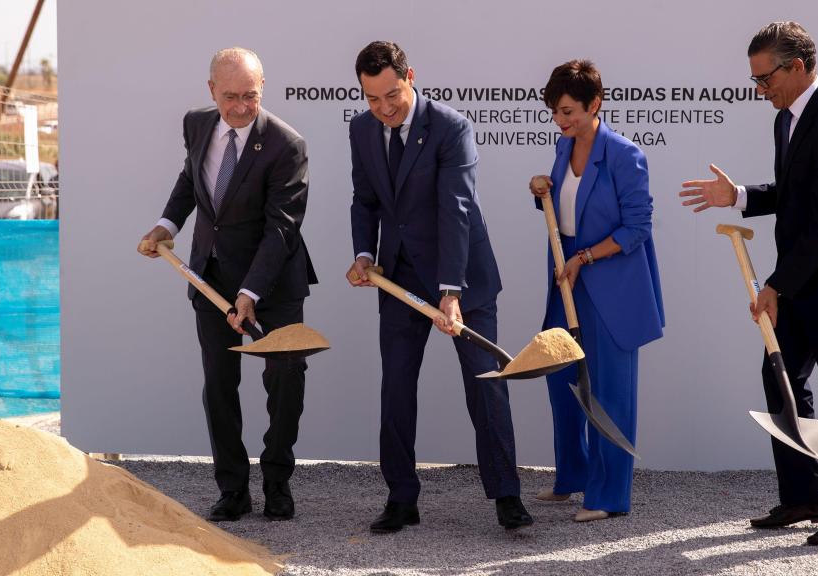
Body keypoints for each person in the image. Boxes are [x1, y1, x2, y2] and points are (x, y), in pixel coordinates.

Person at [679, 22, 818, 546]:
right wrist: (738, 196)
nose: (759, 88)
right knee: (781, 380)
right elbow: (794, 191)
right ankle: (806, 495)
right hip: (802, 283)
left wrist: (774, 284)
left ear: (797, 67)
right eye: (754, 79)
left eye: (764, 77)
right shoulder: (788, 118)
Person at [346, 41, 532, 533]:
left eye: (392, 95)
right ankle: (401, 497)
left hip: (464, 277)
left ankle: (507, 496)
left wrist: (450, 291)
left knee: (485, 388)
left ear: (411, 76)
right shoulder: (362, 130)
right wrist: (365, 255)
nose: (384, 109)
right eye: (372, 99)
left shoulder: (451, 127)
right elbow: (364, 200)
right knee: (397, 387)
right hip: (400, 277)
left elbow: (456, 208)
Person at [137, 47, 317, 523]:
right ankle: (232, 489)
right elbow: (189, 179)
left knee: (284, 380)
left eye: (251, 97)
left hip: (272, 283)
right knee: (219, 384)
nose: (240, 107)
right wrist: (166, 224)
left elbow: (282, 228)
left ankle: (278, 481)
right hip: (211, 275)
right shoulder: (196, 123)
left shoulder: (286, 144)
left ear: (263, 89)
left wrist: (250, 294)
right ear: (211, 89)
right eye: (231, 96)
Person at [528, 60, 664, 522]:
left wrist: (585, 258)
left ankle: (608, 497)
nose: (561, 121)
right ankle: (574, 477)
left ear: (595, 104)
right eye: (555, 112)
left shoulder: (624, 155)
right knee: (560, 376)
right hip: (566, 280)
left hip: (610, 285)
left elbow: (638, 228)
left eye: (568, 111)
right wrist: (541, 190)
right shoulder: (564, 148)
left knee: (609, 390)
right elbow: (565, 208)